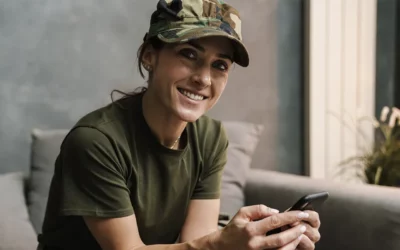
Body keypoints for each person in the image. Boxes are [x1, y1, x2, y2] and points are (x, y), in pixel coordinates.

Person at [37, 0, 322, 249]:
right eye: (189, 54)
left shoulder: (211, 138)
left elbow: (196, 242)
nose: (204, 79)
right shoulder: (96, 142)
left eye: (219, 65)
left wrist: (265, 241)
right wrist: (223, 245)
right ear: (150, 55)